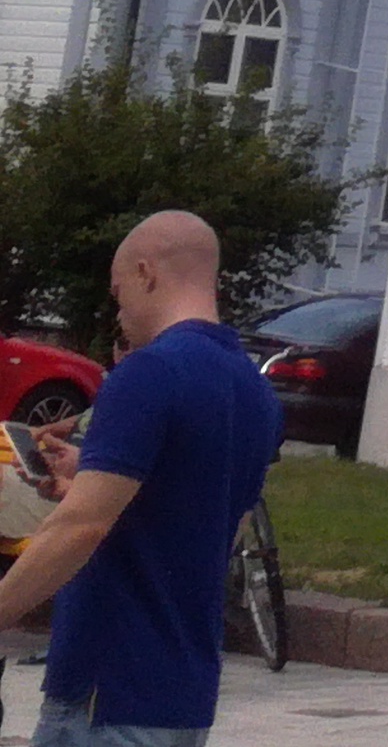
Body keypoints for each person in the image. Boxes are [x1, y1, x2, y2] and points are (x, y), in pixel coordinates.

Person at [0, 212, 284, 747]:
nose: (120, 310)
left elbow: (79, 529)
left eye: (118, 291)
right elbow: (211, 525)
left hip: (105, 693)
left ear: (146, 272)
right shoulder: (256, 392)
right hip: (183, 696)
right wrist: (84, 479)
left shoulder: (147, 372)